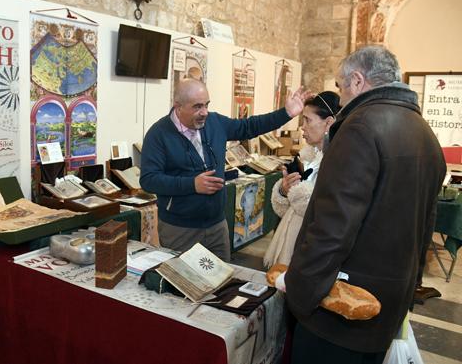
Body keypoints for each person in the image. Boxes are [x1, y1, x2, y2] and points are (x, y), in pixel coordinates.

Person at [278, 46, 446, 363]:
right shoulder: (423, 132)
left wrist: (300, 293)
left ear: (357, 80)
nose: (340, 99)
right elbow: (425, 226)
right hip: (387, 303)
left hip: (341, 308)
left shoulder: (360, 127)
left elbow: (332, 228)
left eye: (341, 87)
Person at [140, 78, 309, 261]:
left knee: (221, 283)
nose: (204, 112)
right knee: (184, 286)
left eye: (206, 105)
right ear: (178, 106)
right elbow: (149, 180)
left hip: (217, 226)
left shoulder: (214, 122)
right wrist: (191, 184)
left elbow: (249, 126)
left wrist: (286, 113)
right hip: (180, 230)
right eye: (197, 107)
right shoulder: (158, 134)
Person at [263, 91, 340, 268]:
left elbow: (323, 212)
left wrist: (297, 191)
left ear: (328, 123)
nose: (302, 127)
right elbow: (286, 210)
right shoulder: (308, 156)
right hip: (289, 237)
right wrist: (284, 189)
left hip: (311, 248)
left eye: (308, 120)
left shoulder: (337, 162)